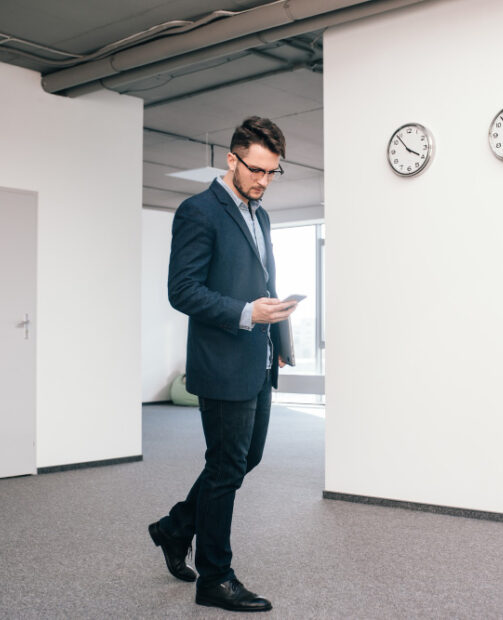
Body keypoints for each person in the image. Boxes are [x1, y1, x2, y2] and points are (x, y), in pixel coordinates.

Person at [148, 116, 298, 613]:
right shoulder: (199, 212)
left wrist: (274, 331)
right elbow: (182, 291)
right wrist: (244, 314)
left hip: (257, 357)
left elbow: (261, 280)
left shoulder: (261, 214)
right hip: (220, 362)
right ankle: (215, 577)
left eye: (273, 172)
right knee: (227, 465)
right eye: (256, 169)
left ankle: (174, 528)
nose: (263, 181)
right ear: (231, 159)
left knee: (241, 460)